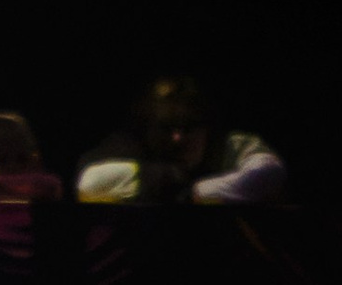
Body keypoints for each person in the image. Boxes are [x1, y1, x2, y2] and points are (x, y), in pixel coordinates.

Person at [78, 75, 286, 205]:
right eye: (166, 127)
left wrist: (194, 192)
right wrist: (169, 178)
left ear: (207, 126)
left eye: (189, 126)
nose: (178, 138)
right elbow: (90, 182)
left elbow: (268, 173)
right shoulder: (132, 143)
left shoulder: (228, 144)